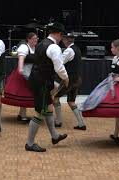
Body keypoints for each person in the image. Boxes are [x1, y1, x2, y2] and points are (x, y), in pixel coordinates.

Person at [25, 22, 69, 152]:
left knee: (49, 107)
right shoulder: (54, 47)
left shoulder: (41, 43)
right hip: (42, 82)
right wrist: (66, 78)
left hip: (37, 79)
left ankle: (54, 136)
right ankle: (30, 143)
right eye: (62, 36)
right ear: (59, 34)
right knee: (40, 112)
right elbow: (59, 67)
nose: (62, 39)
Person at [2, 32, 38, 121]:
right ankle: (23, 115)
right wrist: (21, 70)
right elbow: (21, 59)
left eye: (36, 38)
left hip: (32, 72)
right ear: (28, 39)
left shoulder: (36, 48)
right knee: (24, 94)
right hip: (24, 72)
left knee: (26, 95)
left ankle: (21, 114)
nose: (36, 40)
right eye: (34, 38)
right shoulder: (24, 47)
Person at [53, 32, 86, 130]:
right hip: (77, 79)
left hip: (70, 80)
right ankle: (81, 124)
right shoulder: (77, 49)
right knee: (71, 101)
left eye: (63, 39)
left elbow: (60, 62)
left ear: (66, 40)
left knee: (55, 97)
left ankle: (58, 121)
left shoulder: (69, 51)